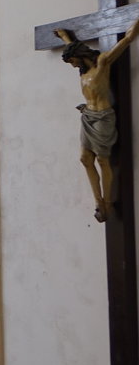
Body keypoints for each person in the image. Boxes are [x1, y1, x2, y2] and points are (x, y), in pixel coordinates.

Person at [56, 17, 139, 221]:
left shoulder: (102, 64)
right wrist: (65, 36)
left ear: (78, 56)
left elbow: (127, 40)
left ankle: (108, 202)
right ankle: (98, 201)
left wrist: (136, 24)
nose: (73, 66)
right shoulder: (82, 72)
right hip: (88, 117)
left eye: (72, 61)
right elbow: (71, 47)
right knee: (85, 159)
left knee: (103, 160)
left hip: (103, 118)